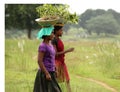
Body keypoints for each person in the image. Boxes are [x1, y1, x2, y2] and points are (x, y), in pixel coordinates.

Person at [33, 26, 62, 92]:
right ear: (47, 34)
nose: (53, 35)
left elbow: (52, 58)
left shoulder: (51, 45)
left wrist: (55, 69)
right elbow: (39, 61)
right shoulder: (42, 46)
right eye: (51, 33)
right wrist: (46, 73)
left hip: (52, 72)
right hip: (45, 73)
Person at [52, 23, 74, 92]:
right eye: (61, 30)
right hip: (56, 62)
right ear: (56, 31)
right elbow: (55, 54)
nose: (62, 32)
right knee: (56, 80)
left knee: (67, 79)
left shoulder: (58, 39)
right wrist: (67, 51)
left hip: (62, 62)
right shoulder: (54, 40)